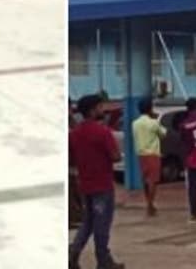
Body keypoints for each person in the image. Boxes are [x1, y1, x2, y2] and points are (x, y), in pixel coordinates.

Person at [69, 95, 125, 269]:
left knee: (88, 221)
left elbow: (71, 160)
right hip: (102, 184)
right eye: (100, 107)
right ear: (93, 110)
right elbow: (115, 156)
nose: (103, 110)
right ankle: (103, 259)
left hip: (85, 184)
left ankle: (73, 253)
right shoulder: (102, 132)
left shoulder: (74, 133)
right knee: (102, 223)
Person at [132, 98, 167, 217]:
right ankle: (150, 205)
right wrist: (156, 119)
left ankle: (149, 202)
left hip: (141, 154)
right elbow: (163, 134)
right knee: (153, 181)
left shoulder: (135, 123)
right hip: (153, 153)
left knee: (146, 180)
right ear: (150, 109)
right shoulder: (153, 123)